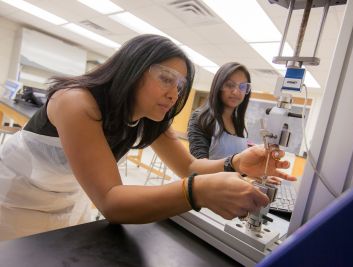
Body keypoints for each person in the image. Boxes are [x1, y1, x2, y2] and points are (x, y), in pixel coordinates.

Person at [0, 34, 294, 241]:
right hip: (13, 199)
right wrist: (196, 192)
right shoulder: (75, 102)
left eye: (180, 86)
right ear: (132, 68)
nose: (173, 93)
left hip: (68, 203)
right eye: (166, 78)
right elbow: (111, 201)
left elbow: (189, 168)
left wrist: (237, 162)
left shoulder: (151, 118)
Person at [188, 62, 295, 184]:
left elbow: (241, 167)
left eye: (242, 87)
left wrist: (255, 175)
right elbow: (198, 169)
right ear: (218, 86)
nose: (236, 92)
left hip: (235, 191)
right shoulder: (201, 118)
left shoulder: (240, 123)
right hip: (209, 194)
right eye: (229, 85)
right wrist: (244, 177)